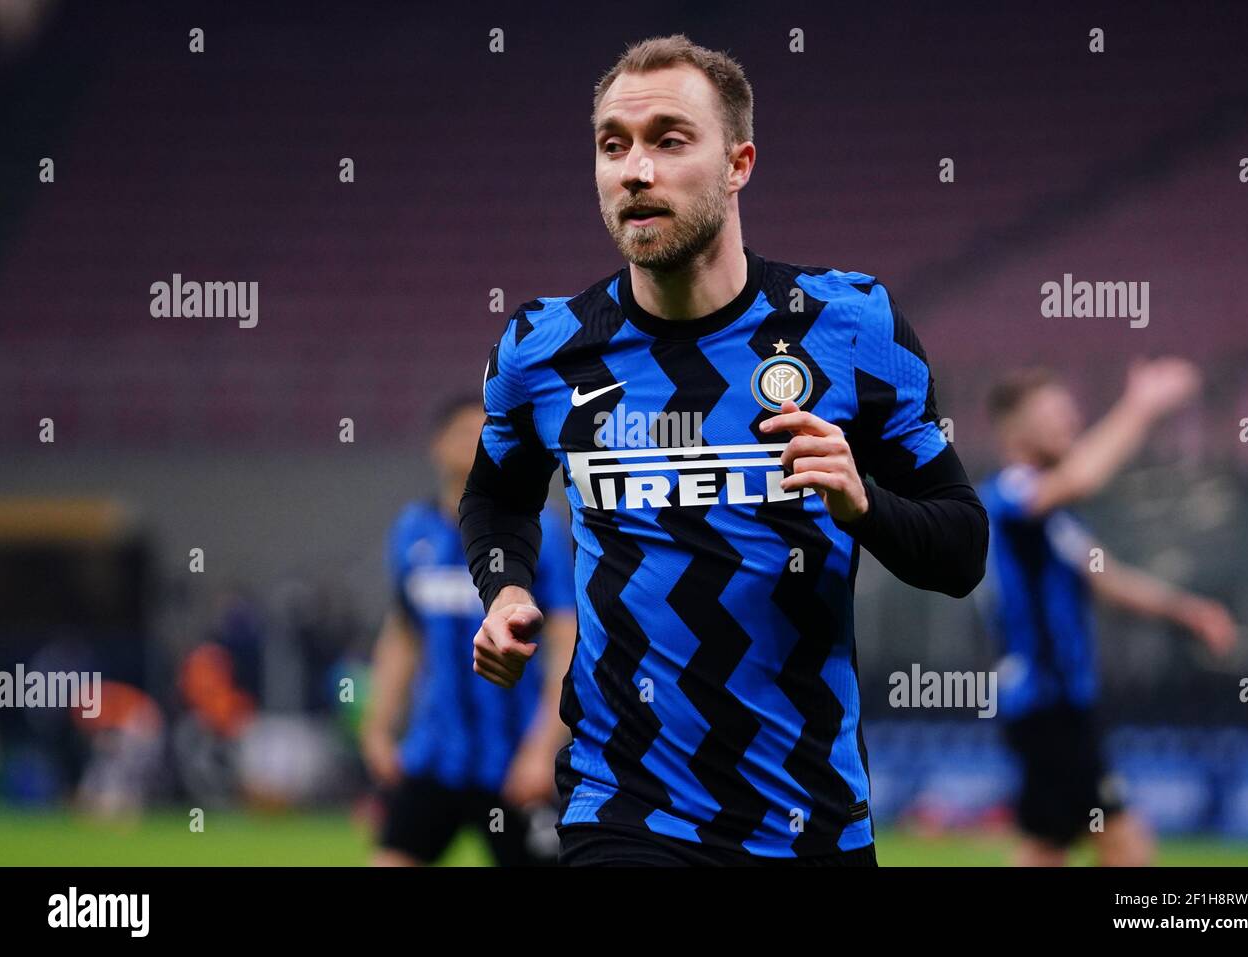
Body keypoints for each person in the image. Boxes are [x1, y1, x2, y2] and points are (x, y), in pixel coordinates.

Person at [458, 35, 987, 866]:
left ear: (739, 163)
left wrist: (864, 505)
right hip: (623, 807)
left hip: (810, 817)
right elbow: (497, 496)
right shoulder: (543, 349)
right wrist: (504, 588)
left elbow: (962, 550)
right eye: (613, 145)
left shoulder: (851, 330)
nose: (636, 170)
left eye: (670, 140)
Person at [979, 362, 1238, 866]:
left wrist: (1187, 612)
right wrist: (1139, 407)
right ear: (1016, 430)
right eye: (1055, 414)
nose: (1070, 424)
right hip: (1045, 701)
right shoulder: (1012, 491)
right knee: (1123, 842)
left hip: (1057, 704)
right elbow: (1084, 476)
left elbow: (1108, 580)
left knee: (1049, 847)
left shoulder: (1054, 516)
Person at [363, 396, 577, 866]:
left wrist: (544, 747)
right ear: (435, 446)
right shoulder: (412, 532)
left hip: (515, 756)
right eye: (460, 433)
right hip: (435, 754)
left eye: (483, 432)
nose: (472, 444)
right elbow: (403, 634)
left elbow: (566, 641)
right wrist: (378, 727)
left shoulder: (541, 531)